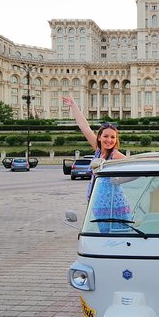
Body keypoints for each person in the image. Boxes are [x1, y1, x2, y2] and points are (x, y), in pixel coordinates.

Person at [62, 95, 131, 231]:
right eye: (105, 136)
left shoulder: (115, 155)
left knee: (117, 237)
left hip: (114, 205)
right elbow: (84, 127)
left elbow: (138, 170)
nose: (109, 140)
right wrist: (74, 106)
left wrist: (119, 181)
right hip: (98, 204)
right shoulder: (98, 151)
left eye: (112, 137)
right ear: (99, 137)